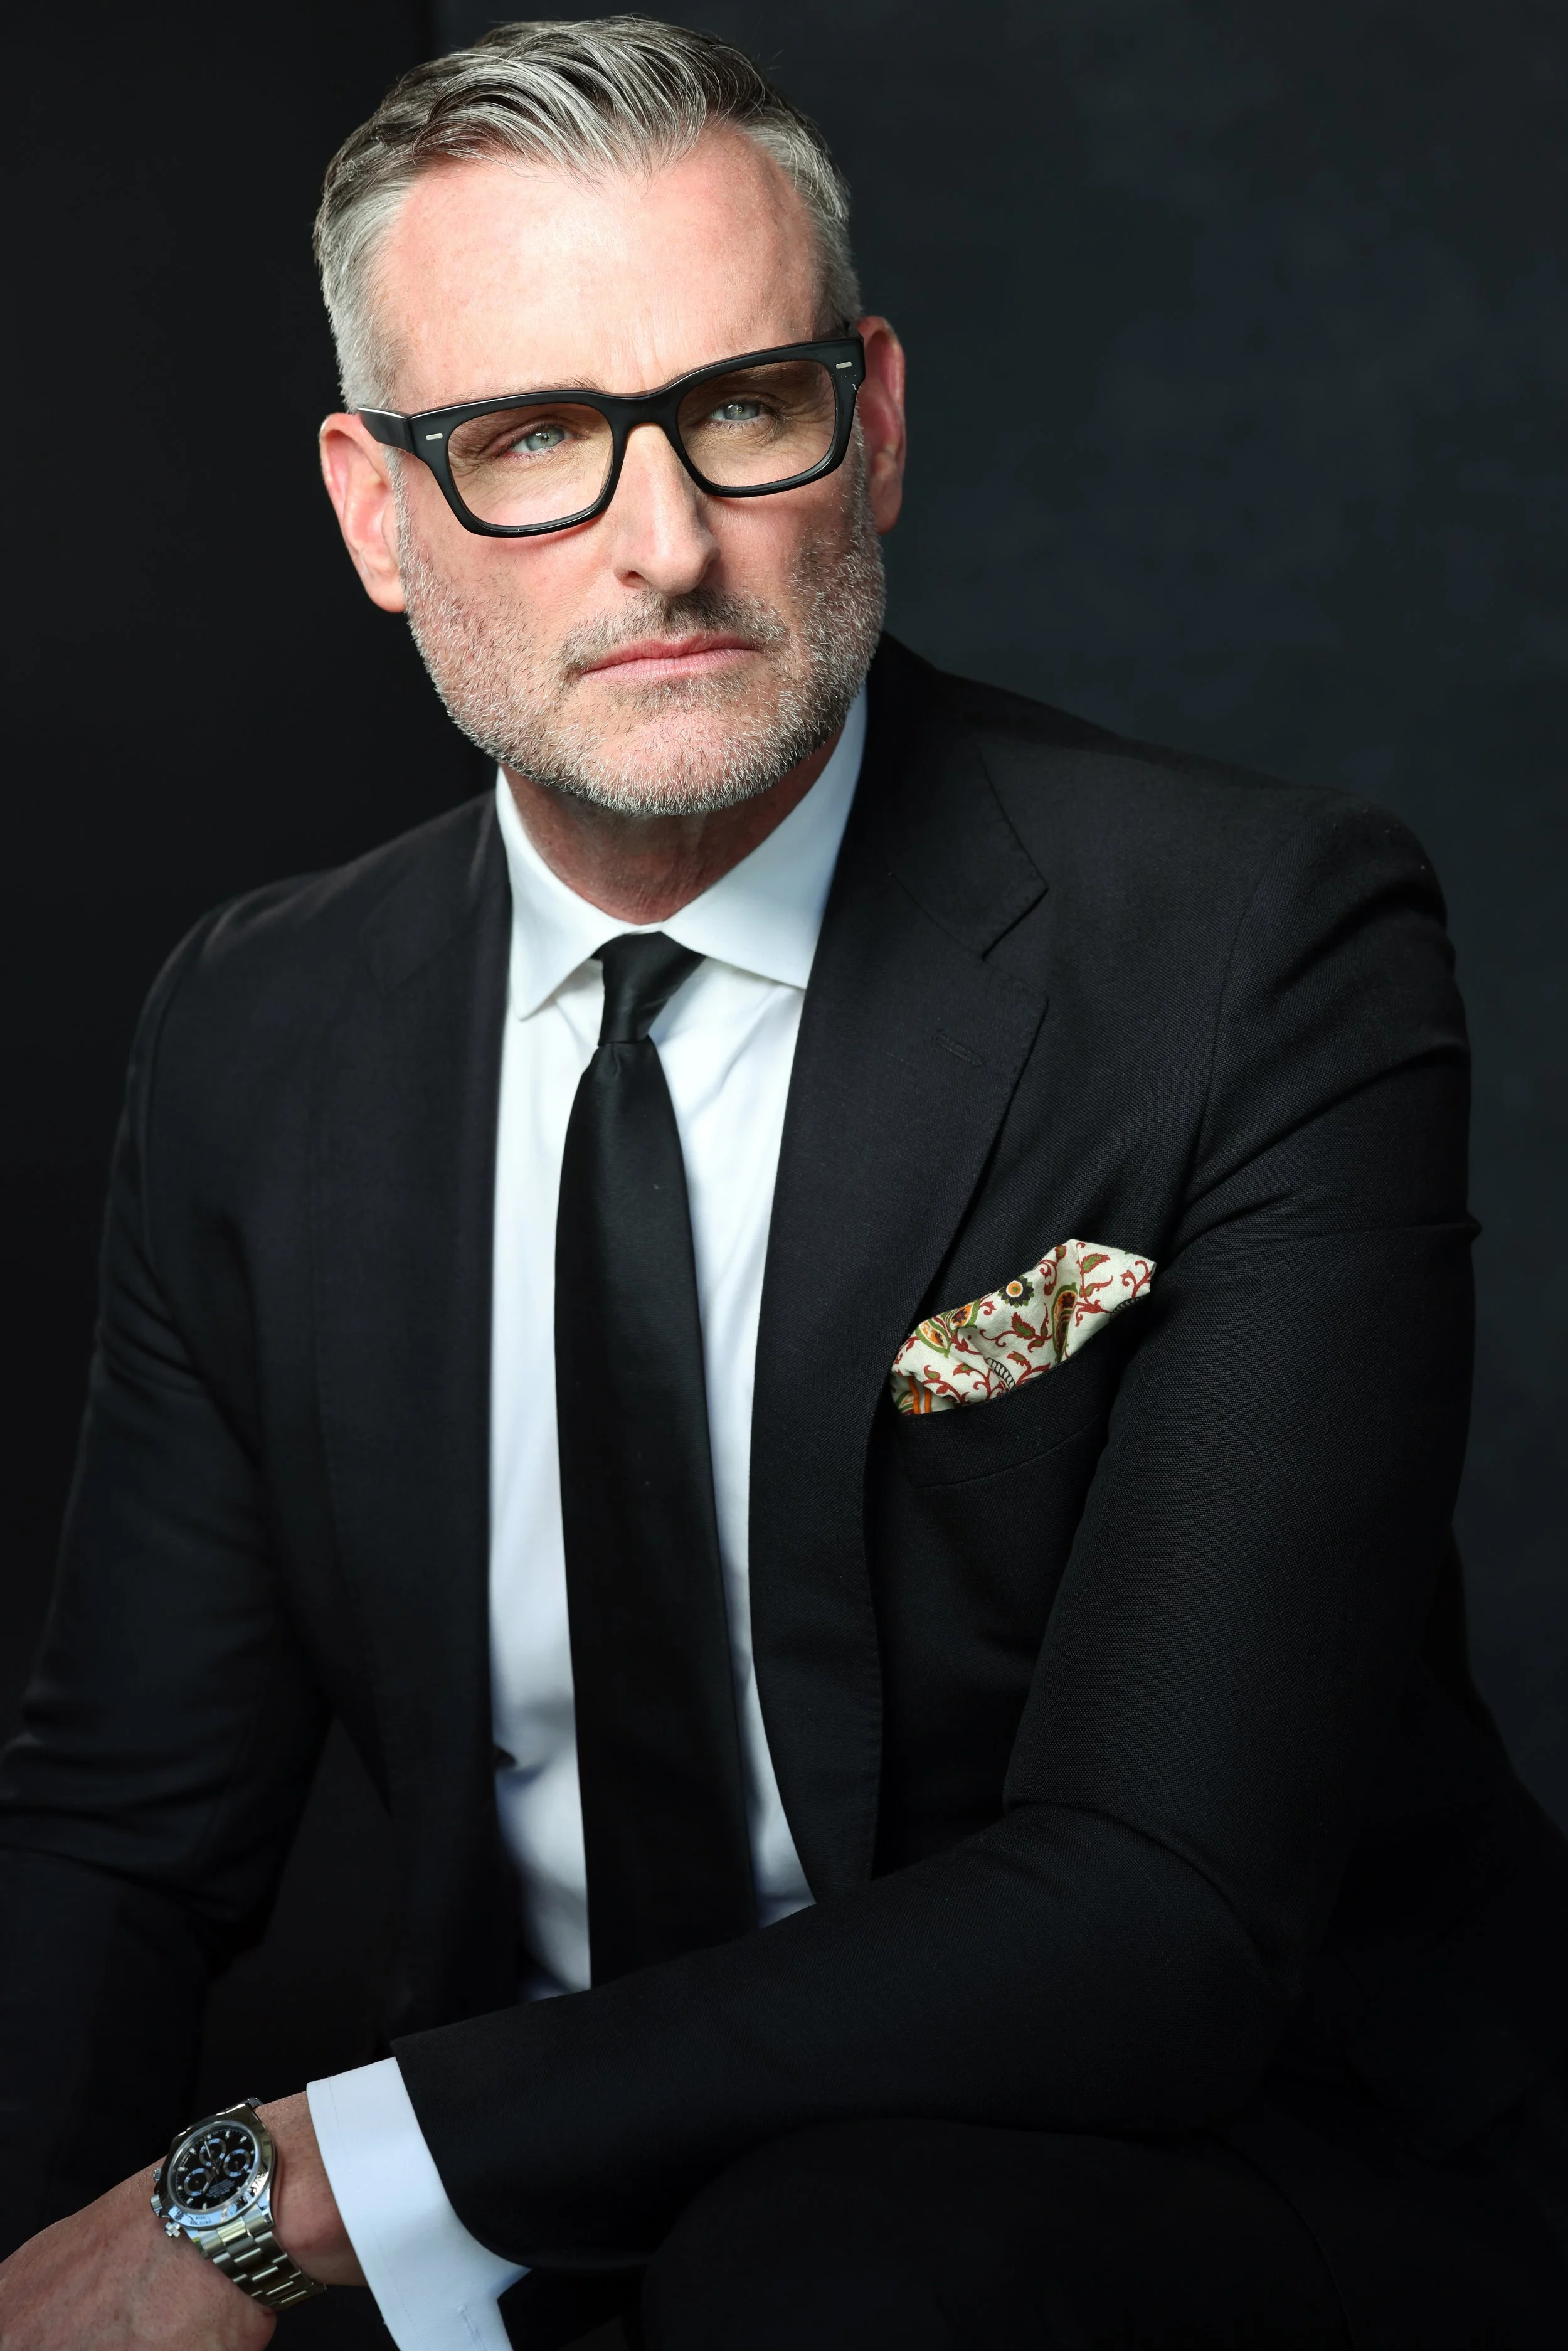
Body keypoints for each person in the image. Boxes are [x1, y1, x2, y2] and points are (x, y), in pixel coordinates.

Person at [1, 16, 1565, 2349]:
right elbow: (123, 1826)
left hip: (1200, 2165)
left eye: (741, 405)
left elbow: (1154, 1905)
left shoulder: (1250, 949)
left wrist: (298, 2188)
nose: (664, 542)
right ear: (374, 511)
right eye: (528, 439)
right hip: (526, 2172)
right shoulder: (258, 1024)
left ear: (878, 420)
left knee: (818, 2279)